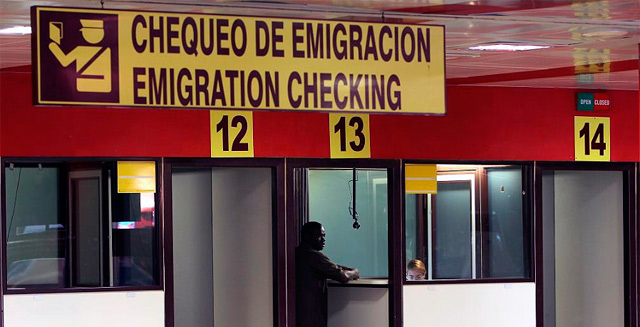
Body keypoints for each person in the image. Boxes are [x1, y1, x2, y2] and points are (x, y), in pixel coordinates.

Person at [296, 221, 360, 327]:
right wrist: (354, 272)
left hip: (300, 315)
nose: (324, 239)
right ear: (307, 237)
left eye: (324, 235)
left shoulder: (298, 253)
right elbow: (342, 276)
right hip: (311, 317)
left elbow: (330, 267)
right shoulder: (314, 256)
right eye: (320, 236)